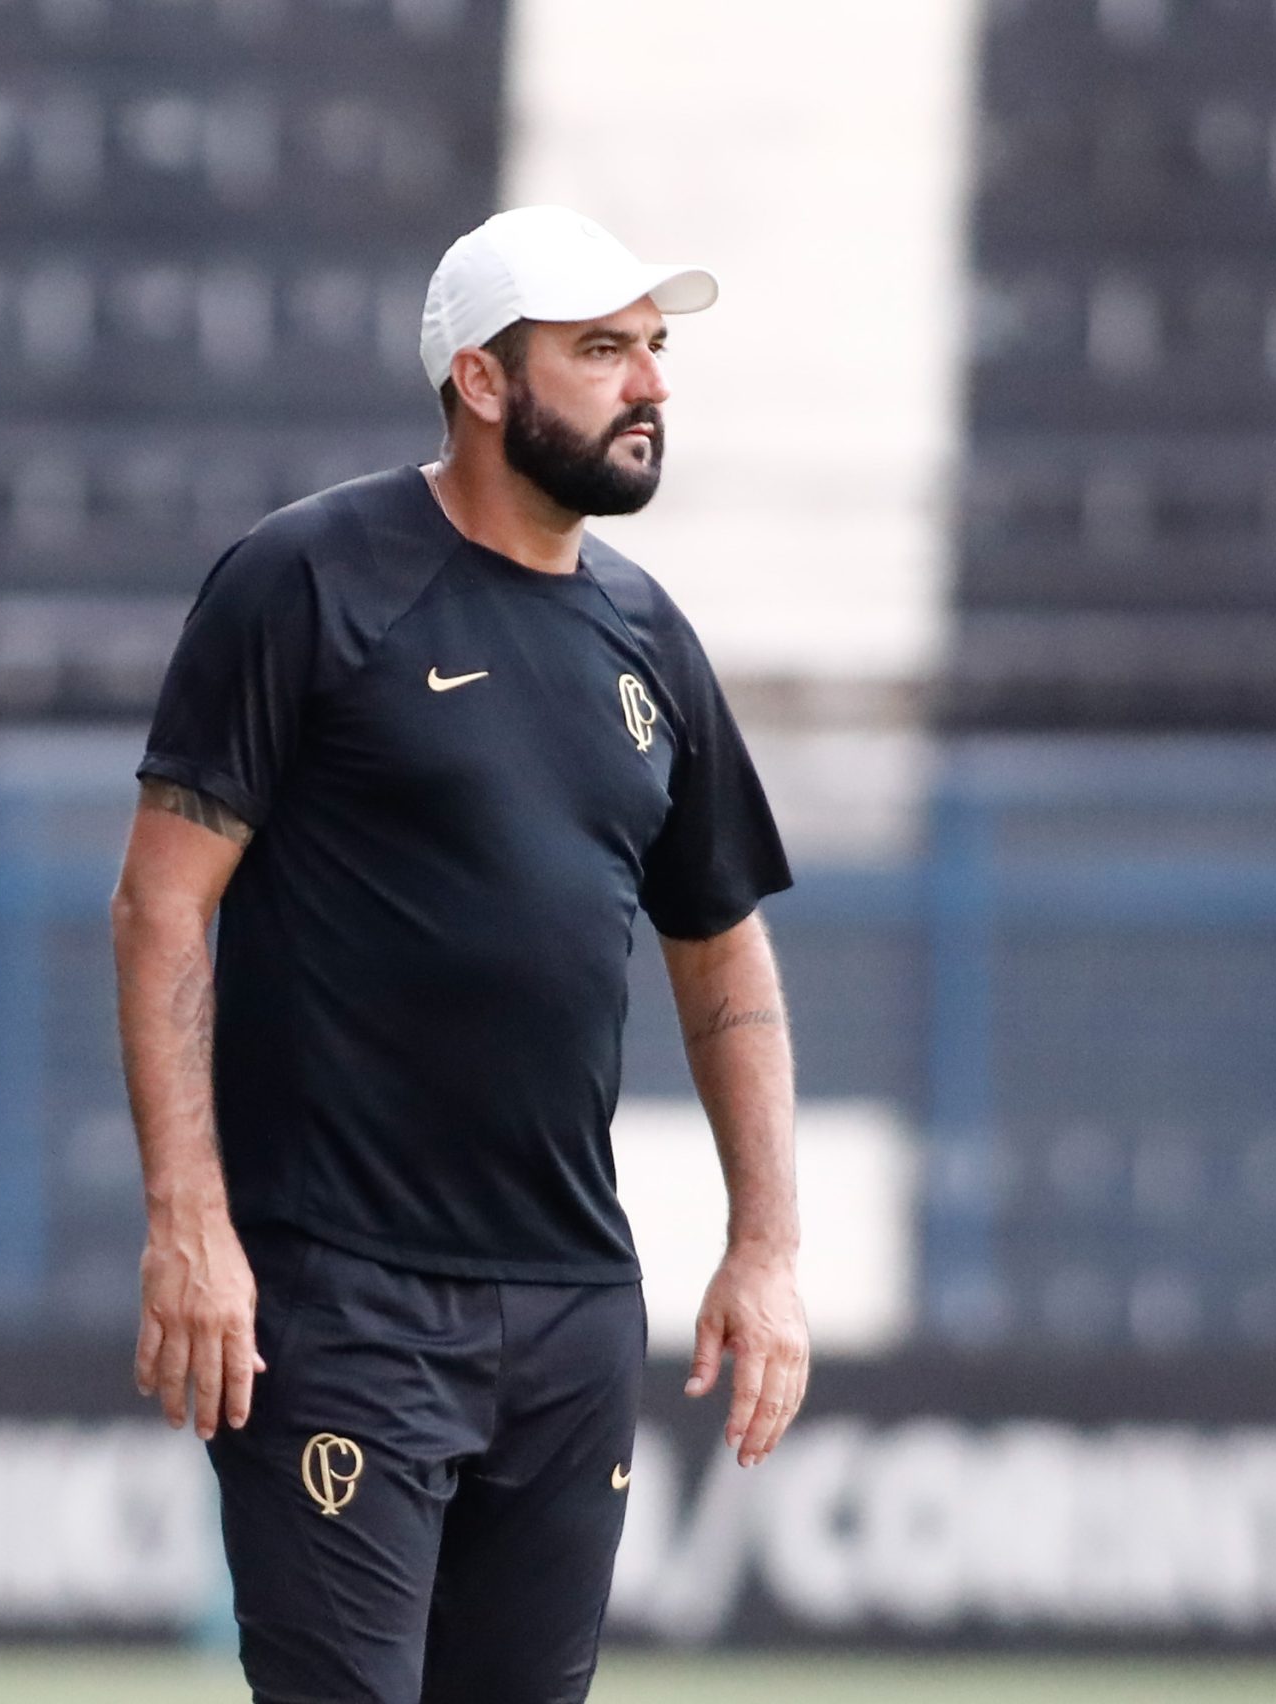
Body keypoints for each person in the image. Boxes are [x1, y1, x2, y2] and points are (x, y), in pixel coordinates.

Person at [110, 206, 807, 1704]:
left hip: (569, 1310)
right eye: (603, 350)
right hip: (340, 1294)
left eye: (655, 351)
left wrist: (766, 1245)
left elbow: (724, 953)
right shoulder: (307, 579)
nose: (650, 386)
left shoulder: (650, 639)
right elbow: (162, 904)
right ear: (484, 383)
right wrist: (189, 1219)